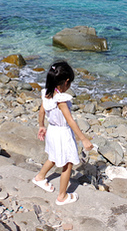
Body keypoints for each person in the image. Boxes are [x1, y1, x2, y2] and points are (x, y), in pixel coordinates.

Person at [31, 61, 94, 206]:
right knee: (67, 163)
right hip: (62, 133)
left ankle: (40, 177)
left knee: (53, 156)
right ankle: (62, 196)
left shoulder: (47, 93)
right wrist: (83, 139)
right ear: (66, 82)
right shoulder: (61, 100)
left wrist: (41, 126)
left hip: (52, 130)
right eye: (70, 82)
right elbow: (70, 121)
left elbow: (41, 112)